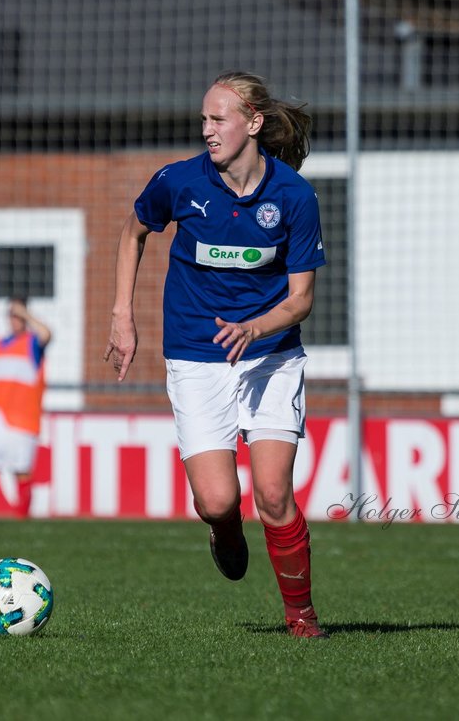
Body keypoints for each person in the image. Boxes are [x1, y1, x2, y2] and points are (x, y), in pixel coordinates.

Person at [103, 71, 330, 639]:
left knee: (274, 493)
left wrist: (256, 327)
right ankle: (223, 527)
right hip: (196, 354)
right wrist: (121, 315)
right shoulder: (178, 182)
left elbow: (300, 301)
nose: (207, 130)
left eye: (218, 118)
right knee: (217, 499)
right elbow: (132, 234)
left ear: (253, 124)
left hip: (271, 353)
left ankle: (301, 617)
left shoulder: (295, 196)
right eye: (203, 119)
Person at [0, 298, 53, 520]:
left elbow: (47, 334)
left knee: (21, 471)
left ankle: (22, 517)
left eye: (18, 315)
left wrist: (27, 315)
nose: (15, 320)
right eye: (12, 315)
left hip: (22, 419)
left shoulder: (32, 344)